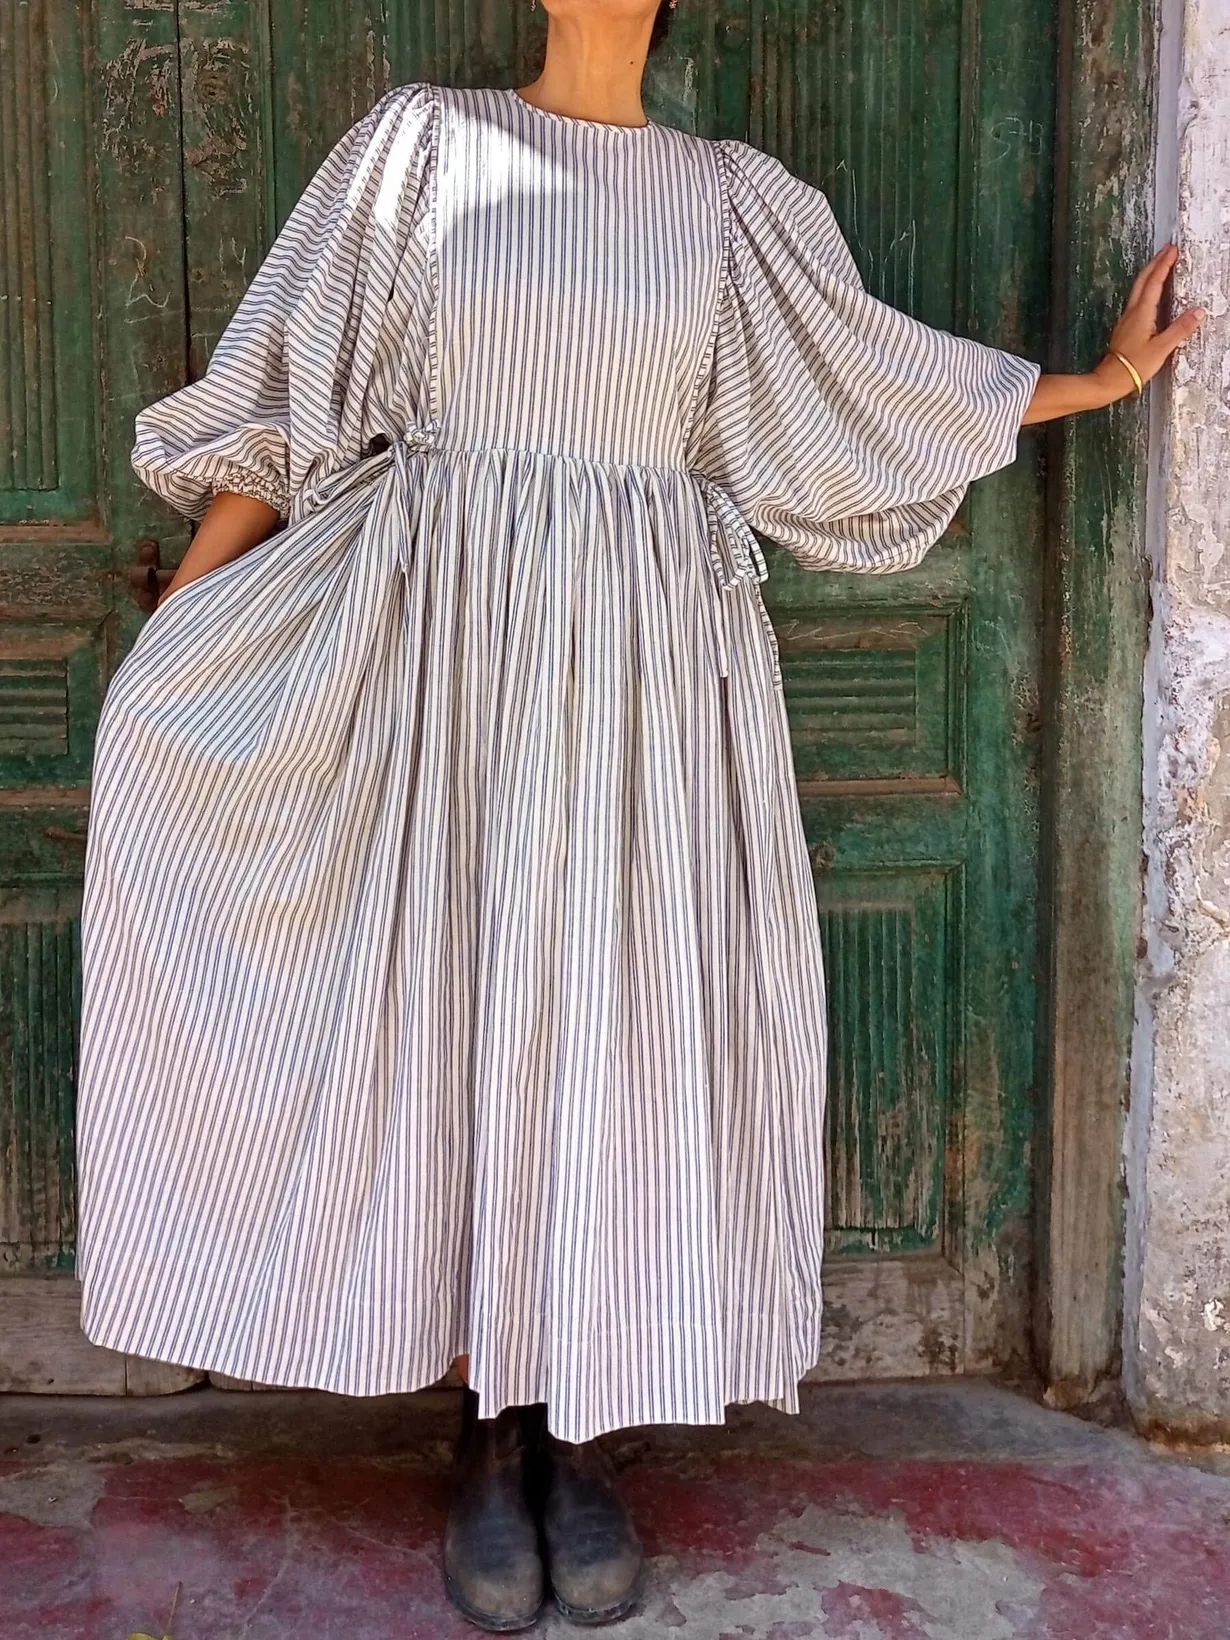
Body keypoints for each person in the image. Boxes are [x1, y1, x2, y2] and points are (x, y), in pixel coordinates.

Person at [73, 0, 1204, 1631]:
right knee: (456, 1017)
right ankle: (484, 1429)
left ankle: (580, 1430)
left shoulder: (730, 200)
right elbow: (291, 398)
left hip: (644, 668)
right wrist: (185, 623)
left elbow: (853, 388)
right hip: (435, 649)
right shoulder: (418, 144)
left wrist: (1094, 383)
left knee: (611, 1023)